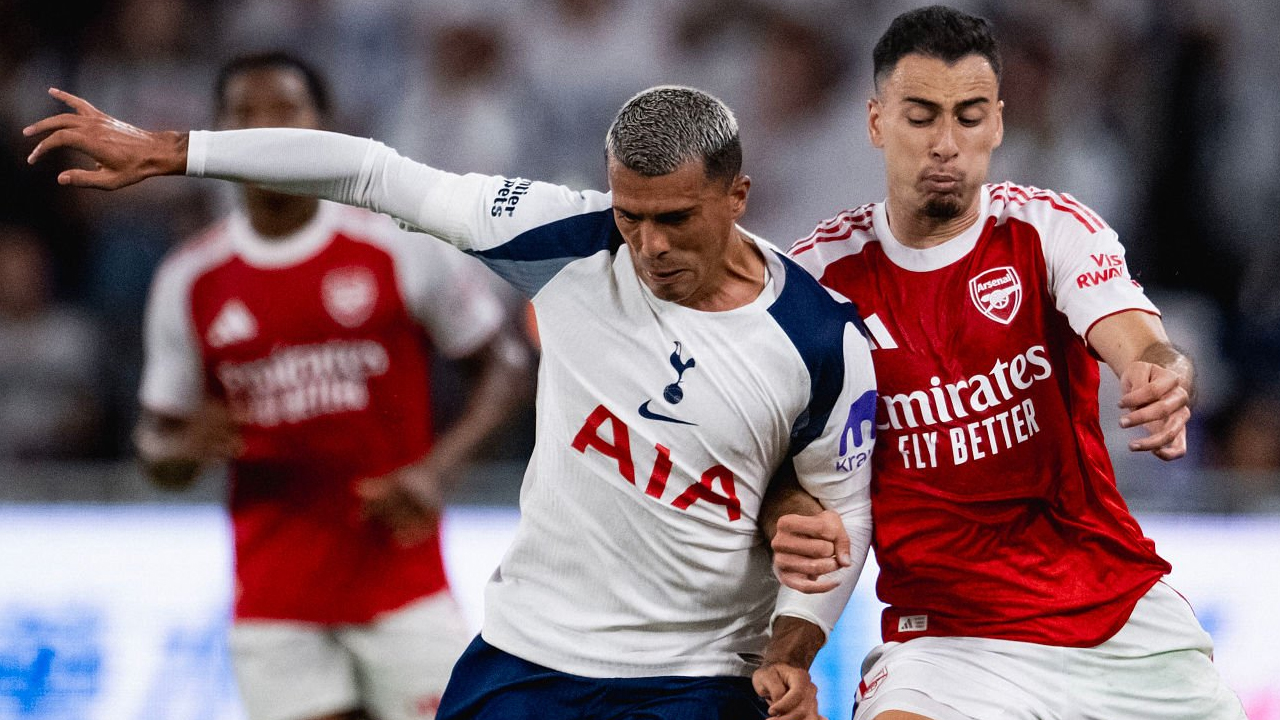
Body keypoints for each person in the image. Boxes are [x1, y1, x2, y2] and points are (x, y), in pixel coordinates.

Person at [24, 82, 880, 720]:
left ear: (737, 195)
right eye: (632, 215)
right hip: (528, 658)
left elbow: (839, 514)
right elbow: (373, 172)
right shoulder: (565, 239)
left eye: (677, 219)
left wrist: (793, 650)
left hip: (697, 679)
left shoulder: (818, 338)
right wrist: (176, 151)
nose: (649, 246)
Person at [768, 6, 1247, 720]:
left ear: (996, 123)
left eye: (968, 118)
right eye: (920, 116)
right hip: (948, 642)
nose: (945, 144)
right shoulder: (817, 284)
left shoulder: (1046, 229)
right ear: (876, 122)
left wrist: (1160, 374)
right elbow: (787, 474)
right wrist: (789, 643)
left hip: (1111, 617)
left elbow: (1142, 342)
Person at [126, 52, 531, 720]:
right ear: (216, 134)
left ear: (323, 125)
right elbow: (156, 444)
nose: (265, 129)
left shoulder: (397, 243)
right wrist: (177, 452)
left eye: (285, 110)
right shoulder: (190, 278)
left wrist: (438, 468)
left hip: (401, 583)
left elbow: (505, 366)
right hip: (274, 603)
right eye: (244, 114)